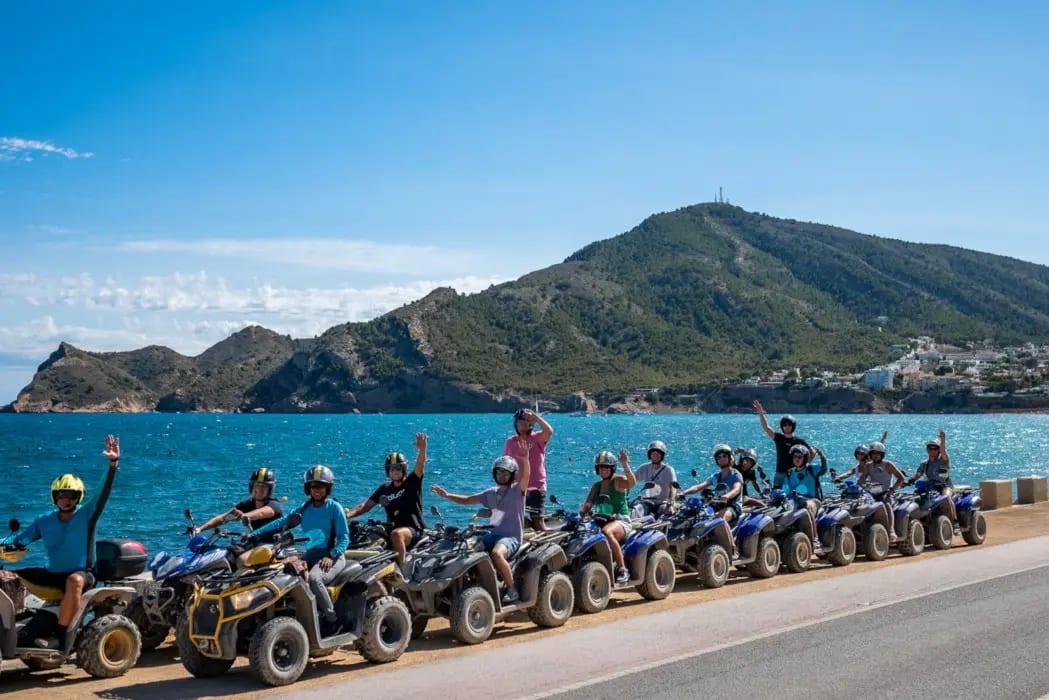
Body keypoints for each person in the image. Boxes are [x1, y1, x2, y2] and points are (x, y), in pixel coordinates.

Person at [11, 435, 121, 648]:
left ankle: (60, 637)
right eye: (61, 495)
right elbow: (18, 540)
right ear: (54, 496)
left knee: (75, 581)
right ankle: (16, 620)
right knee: (7, 575)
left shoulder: (87, 514)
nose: (66, 499)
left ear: (79, 497)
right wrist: (9, 545)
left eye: (71, 495)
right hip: (53, 574)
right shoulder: (44, 521)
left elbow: (102, 492)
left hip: (84, 573)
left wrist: (113, 464)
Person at [251, 465, 350, 636]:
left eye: (321, 486)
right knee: (282, 573)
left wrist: (332, 555)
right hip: (311, 554)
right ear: (308, 488)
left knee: (314, 578)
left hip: (333, 555)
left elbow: (344, 538)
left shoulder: (334, 508)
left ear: (328, 488)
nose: (317, 490)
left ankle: (333, 621)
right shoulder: (305, 509)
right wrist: (254, 535)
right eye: (313, 486)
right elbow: (281, 522)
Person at [431, 437, 531, 603]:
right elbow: (468, 500)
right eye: (499, 472)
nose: (502, 475)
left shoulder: (517, 491)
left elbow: (526, 475)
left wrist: (525, 459)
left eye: (506, 473)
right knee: (463, 548)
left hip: (511, 538)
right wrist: (447, 495)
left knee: (497, 554)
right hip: (490, 535)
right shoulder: (490, 493)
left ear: (512, 475)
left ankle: (512, 589)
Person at [345, 433, 428, 567]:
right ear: (387, 471)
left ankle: (401, 570)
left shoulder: (412, 482)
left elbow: (420, 464)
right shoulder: (384, 488)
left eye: (398, 468)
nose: (395, 471)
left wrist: (422, 449)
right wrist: (346, 515)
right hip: (391, 527)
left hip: (413, 529)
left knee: (396, 534)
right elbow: (364, 506)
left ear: (404, 469)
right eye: (391, 469)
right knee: (366, 535)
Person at [580, 449, 636, 584]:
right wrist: (578, 515)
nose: (603, 469)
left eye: (606, 467)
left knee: (607, 532)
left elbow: (632, 483)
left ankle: (623, 569)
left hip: (620, 520)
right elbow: (588, 503)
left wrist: (625, 465)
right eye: (600, 467)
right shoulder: (597, 486)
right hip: (602, 519)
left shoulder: (618, 481)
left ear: (612, 468)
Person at [192, 467, 283, 535]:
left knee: (241, 559)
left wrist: (243, 516)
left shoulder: (274, 505)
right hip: (255, 544)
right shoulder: (247, 504)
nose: (259, 489)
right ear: (251, 487)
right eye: (256, 485)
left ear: (270, 489)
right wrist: (200, 529)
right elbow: (223, 518)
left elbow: (261, 513)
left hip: (273, 546)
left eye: (263, 486)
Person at [503, 408, 554, 531]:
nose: (522, 427)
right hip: (517, 487)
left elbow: (549, 431)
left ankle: (548, 544)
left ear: (531, 425)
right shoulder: (511, 441)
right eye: (519, 423)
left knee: (538, 521)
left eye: (525, 423)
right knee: (513, 517)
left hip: (536, 486)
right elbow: (505, 463)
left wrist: (535, 417)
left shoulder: (537, 438)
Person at [753, 400, 812, 489]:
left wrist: (804, 465)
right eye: (785, 425)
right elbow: (766, 427)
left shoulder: (799, 441)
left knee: (795, 494)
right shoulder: (779, 438)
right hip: (780, 472)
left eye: (789, 425)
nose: (787, 427)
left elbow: (811, 452)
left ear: (793, 426)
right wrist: (761, 414)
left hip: (794, 473)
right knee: (777, 495)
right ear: (782, 426)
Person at [681, 444, 744, 524]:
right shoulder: (716, 476)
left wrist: (727, 496)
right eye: (719, 457)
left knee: (719, 520)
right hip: (718, 505)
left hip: (733, 507)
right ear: (716, 460)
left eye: (724, 456)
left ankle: (727, 537)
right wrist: (683, 493)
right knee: (696, 516)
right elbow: (698, 487)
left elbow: (736, 489)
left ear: (730, 457)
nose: (722, 459)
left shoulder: (735, 474)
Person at [858, 441, 906, 544]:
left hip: (884, 492)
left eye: (878, 454)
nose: (875, 456)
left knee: (887, 504)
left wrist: (892, 490)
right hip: (871, 492)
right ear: (870, 454)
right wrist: (857, 486)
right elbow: (863, 478)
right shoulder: (868, 465)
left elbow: (901, 478)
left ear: (882, 454)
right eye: (873, 454)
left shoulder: (888, 465)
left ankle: (891, 531)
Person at [909, 431, 957, 523]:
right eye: (930, 448)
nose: (932, 450)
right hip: (931, 486)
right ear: (927, 450)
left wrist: (943, 439)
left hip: (944, 486)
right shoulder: (924, 463)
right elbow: (918, 473)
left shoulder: (943, 460)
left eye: (935, 448)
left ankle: (954, 521)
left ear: (938, 450)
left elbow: (943, 451)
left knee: (946, 497)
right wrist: (911, 479)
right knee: (916, 497)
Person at [634, 440, 677, 514]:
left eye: (658, 454)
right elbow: (631, 480)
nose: (655, 456)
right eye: (653, 454)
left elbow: (673, 488)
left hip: (663, 502)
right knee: (636, 511)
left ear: (662, 455)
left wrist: (670, 503)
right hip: (648, 501)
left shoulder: (669, 470)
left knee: (668, 512)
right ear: (649, 455)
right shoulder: (644, 467)